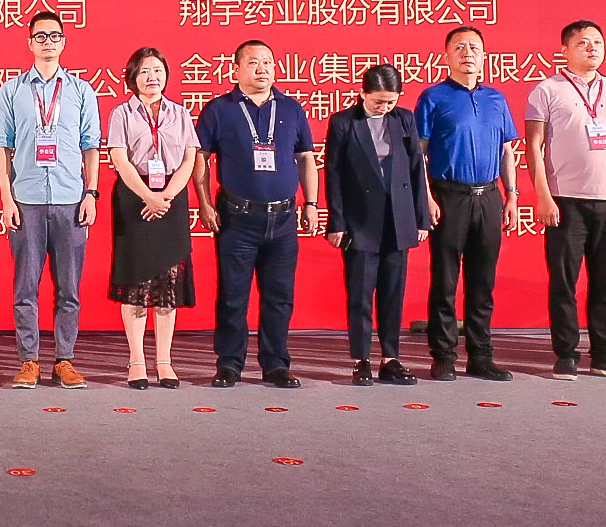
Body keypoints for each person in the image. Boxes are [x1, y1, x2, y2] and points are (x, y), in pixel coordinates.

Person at [523, 21, 606, 382]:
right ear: (564, 50)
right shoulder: (547, 90)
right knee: (564, 282)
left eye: (597, 42)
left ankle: (604, 356)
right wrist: (543, 197)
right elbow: (533, 146)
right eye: (582, 43)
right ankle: (566, 355)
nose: (592, 48)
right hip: (566, 201)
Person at [193, 40, 318, 389]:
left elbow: (306, 158)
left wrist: (311, 203)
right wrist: (203, 202)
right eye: (252, 62)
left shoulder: (291, 109)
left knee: (279, 297)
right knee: (232, 296)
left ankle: (276, 364)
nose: (262, 68)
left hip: (283, 218)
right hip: (237, 218)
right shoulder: (220, 109)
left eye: (267, 62)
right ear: (235, 69)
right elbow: (201, 157)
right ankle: (229, 364)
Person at [0, 11, 101, 388]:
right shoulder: (11, 91)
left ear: (64, 42)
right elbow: (2, 147)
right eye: (40, 36)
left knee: (68, 288)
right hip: (26, 200)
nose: (48, 42)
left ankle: (64, 360)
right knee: (25, 288)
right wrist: (6, 198)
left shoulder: (81, 91)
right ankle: (29, 361)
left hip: (71, 200)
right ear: (30, 43)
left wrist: (91, 193)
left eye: (54, 36)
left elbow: (91, 146)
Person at [414, 25, 521, 383]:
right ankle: (443, 355)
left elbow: (507, 151)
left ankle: (480, 356)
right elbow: (419, 154)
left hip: (488, 197)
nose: (467, 54)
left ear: (484, 56)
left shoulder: (496, 99)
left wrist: (512, 195)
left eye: (474, 47)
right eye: (459, 48)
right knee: (445, 280)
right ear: (446, 57)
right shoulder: (433, 98)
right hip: (448, 197)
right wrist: (426, 197)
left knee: (482, 282)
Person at [323, 63, 431, 386]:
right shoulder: (343, 122)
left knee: (392, 293)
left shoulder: (404, 119)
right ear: (362, 94)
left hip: (398, 218)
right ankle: (361, 360)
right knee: (360, 294)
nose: (384, 107)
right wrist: (337, 221)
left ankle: (390, 358)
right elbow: (334, 174)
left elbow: (416, 169)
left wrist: (420, 218)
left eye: (390, 101)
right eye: (378, 101)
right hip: (359, 221)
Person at [105, 46, 198, 390]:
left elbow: (189, 159)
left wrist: (166, 197)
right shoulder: (121, 113)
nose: (152, 77)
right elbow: (119, 159)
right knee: (136, 283)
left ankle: (164, 361)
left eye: (157, 70)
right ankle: (136, 361)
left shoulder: (180, 113)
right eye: (144, 71)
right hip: (135, 199)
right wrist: (148, 197)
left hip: (171, 198)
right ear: (132, 77)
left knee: (167, 284)